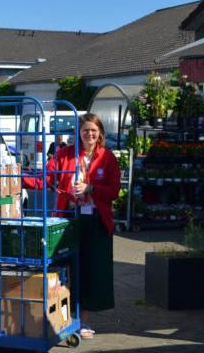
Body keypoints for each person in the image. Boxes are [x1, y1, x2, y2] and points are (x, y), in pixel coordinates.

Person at [23, 113, 120, 339]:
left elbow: (114, 191)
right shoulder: (64, 155)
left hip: (95, 221)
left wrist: (91, 189)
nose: (89, 134)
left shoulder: (107, 157)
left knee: (91, 271)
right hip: (68, 219)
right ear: (78, 132)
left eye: (93, 130)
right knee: (66, 270)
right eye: (85, 130)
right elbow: (45, 178)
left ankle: (83, 322)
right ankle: (63, 318)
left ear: (100, 133)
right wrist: (15, 177)